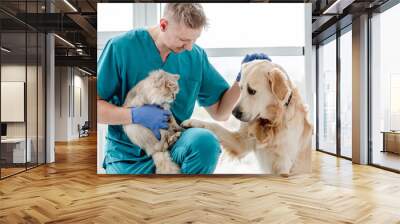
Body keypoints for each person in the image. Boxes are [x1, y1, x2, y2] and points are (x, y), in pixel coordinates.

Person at [97, 3, 270, 174]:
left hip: (174, 146)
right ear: (164, 25)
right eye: (183, 40)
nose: (189, 47)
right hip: (127, 156)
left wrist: (242, 79)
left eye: (194, 40)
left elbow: (221, 112)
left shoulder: (195, 56)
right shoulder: (121, 47)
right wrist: (134, 115)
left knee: (205, 142)